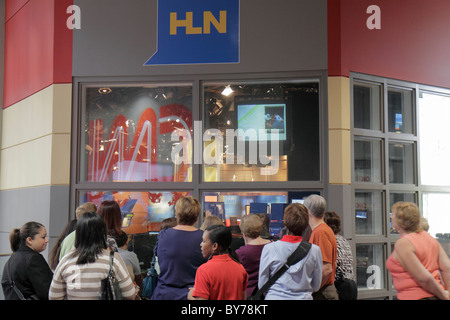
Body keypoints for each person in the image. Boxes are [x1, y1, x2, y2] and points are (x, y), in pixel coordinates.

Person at [49, 212, 137, 300]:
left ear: (78, 234)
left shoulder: (66, 260)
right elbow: (129, 294)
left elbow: (54, 296)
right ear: (103, 234)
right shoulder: (113, 259)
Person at [387, 201, 450, 300]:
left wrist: (444, 295)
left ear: (399, 220)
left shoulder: (403, 243)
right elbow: (447, 268)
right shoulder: (430, 238)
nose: (391, 216)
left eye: (393, 214)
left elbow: (424, 278)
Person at [258, 203, 323, 300]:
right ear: (306, 224)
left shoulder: (269, 248)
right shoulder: (315, 250)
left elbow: (262, 284)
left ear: (285, 223)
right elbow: (316, 285)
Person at [151, 196, 207, 300]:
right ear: (197, 216)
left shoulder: (163, 235)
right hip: (192, 295)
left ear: (177, 213)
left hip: (163, 294)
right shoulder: (204, 238)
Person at [188, 224, 248, 300]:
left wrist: (191, 295)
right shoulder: (240, 268)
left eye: (204, 241)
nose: (201, 244)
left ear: (214, 246)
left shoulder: (203, 270)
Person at [1, 222, 53, 300]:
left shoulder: (12, 259)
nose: (47, 240)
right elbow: (47, 292)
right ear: (29, 240)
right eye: (43, 237)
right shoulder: (33, 259)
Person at [304, 194, 338, 300]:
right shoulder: (320, 230)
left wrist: (312, 289)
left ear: (308, 211)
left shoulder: (320, 232)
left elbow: (327, 269)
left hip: (323, 293)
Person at [324, 211, 357, 300]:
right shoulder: (344, 240)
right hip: (352, 284)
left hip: (341, 285)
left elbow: (333, 266)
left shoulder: (332, 241)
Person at [236, 214, 271, 297]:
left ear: (243, 231)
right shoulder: (272, 246)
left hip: (249, 294)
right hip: (268, 292)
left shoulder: (241, 252)